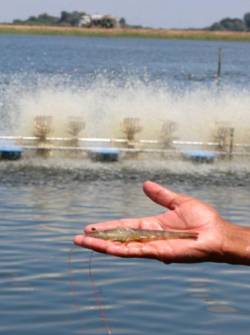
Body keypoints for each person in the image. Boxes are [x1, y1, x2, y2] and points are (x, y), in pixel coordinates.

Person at [74, 181, 250, 265]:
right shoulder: (113, 233)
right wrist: (223, 237)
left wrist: (222, 238)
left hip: (144, 234)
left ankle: (191, 235)